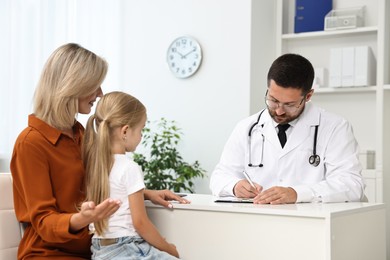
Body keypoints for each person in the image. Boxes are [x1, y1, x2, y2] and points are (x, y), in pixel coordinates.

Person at [10, 43, 187, 259]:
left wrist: (144, 192)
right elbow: (44, 223)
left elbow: (103, 181)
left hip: (94, 250)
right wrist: (82, 219)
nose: (101, 93)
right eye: (95, 85)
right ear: (73, 86)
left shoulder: (80, 134)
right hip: (48, 254)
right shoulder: (31, 143)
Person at [210, 53, 365, 204]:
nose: (279, 111)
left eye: (289, 105)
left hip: (311, 223)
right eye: (273, 100)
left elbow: (351, 184)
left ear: (308, 96)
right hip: (257, 220)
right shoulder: (246, 127)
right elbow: (220, 176)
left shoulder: (335, 127)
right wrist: (235, 186)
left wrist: (297, 193)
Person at [83, 91, 180, 259]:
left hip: (100, 250)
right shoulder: (129, 168)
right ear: (125, 131)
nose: (141, 136)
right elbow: (141, 223)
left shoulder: (95, 165)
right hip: (127, 247)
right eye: (141, 129)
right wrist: (169, 248)